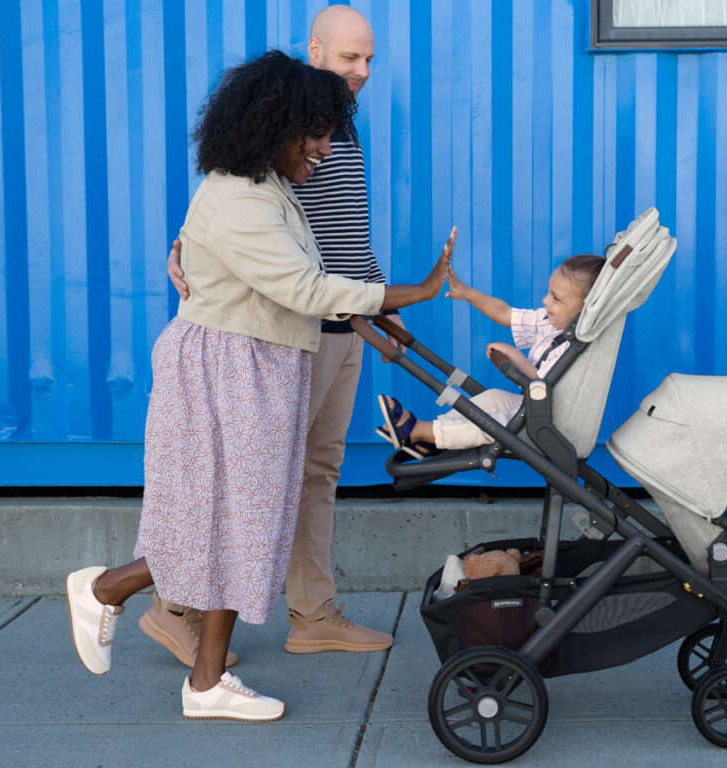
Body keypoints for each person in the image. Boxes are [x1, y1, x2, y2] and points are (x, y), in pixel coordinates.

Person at [65, 51, 455, 721]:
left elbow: (300, 278)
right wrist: (414, 291)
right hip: (225, 369)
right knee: (220, 520)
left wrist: (367, 313)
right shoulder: (240, 198)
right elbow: (300, 286)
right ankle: (106, 588)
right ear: (274, 124)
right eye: (315, 135)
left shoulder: (268, 188)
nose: (325, 150)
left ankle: (206, 683)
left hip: (261, 365)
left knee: (242, 524)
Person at [155, 5, 396, 663]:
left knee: (318, 472)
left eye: (369, 59)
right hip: (288, 336)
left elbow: (348, 229)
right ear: (314, 49)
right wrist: (182, 245)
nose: (362, 71)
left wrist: (380, 299)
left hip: (345, 322)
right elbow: (228, 207)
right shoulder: (278, 127)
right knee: (254, 482)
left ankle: (312, 613)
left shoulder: (340, 127)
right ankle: (173, 605)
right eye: (350, 58)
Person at [377, 254, 605, 458]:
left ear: (584, 311)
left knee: (495, 424)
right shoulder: (549, 323)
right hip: (535, 407)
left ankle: (417, 431)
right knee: (492, 397)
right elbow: (506, 313)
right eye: (548, 293)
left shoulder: (573, 346)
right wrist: (467, 293)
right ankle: (431, 440)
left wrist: (514, 356)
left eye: (557, 299)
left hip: (552, 422)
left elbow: (541, 385)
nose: (546, 301)